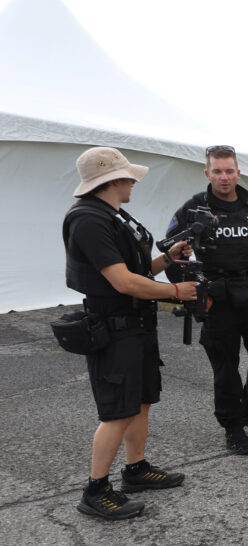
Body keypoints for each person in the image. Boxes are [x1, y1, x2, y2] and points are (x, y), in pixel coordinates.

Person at [63, 147, 199, 520]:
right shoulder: (88, 220)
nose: (134, 182)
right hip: (115, 328)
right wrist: (175, 291)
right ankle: (95, 490)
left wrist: (167, 259)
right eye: (129, 176)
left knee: (140, 401)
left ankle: (135, 470)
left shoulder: (111, 215)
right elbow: (123, 282)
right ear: (112, 180)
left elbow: (137, 271)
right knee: (117, 412)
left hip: (136, 326)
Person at [167, 145, 248, 455]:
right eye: (217, 171)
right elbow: (173, 257)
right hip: (218, 302)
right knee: (226, 370)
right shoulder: (193, 209)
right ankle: (233, 427)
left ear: (238, 173)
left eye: (229, 171)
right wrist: (193, 293)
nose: (224, 177)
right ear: (208, 173)